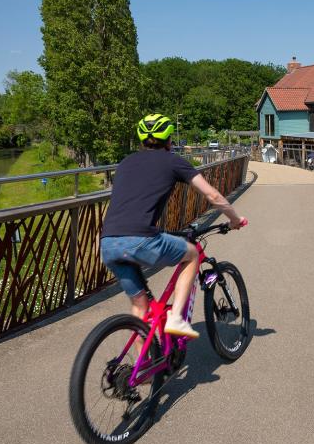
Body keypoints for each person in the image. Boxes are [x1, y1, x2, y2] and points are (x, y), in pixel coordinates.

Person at [100, 114, 246, 339]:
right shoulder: (172, 161)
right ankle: (177, 318)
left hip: (108, 242)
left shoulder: (125, 163)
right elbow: (212, 195)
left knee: (141, 309)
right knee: (191, 255)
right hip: (141, 239)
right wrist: (235, 219)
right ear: (169, 140)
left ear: (142, 141)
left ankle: (142, 371)